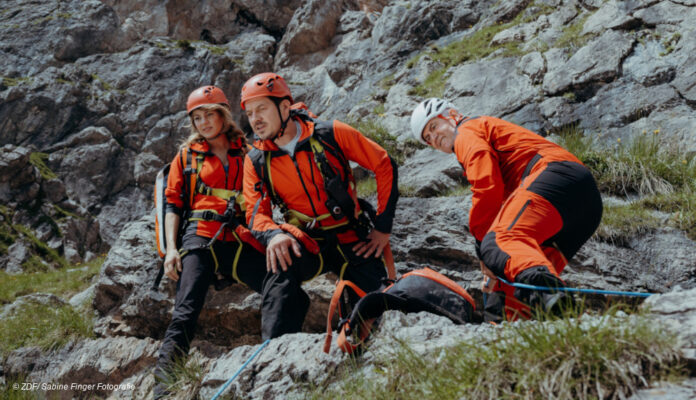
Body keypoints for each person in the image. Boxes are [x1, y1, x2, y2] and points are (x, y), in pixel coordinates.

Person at [409, 98, 602, 322]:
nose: (434, 138)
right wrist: (491, 262)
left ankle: (552, 296)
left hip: (554, 176)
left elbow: (486, 187)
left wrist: (483, 245)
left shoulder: (467, 131)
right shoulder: (478, 133)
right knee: (514, 271)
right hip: (583, 204)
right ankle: (516, 324)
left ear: (452, 114)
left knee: (500, 239)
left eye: (433, 127)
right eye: (428, 139)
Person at [240, 72, 399, 340]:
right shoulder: (256, 160)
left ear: (284, 107)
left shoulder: (330, 133)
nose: (255, 119)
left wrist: (382, 228)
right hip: (308, 241)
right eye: (249, 112)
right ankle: (274, 349)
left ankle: (361, 349)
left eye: (261, 109)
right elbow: (255, 215)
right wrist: (274, 234)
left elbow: (384, 164)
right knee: (279, 266)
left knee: (372, 306)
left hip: (352, 235)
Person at [153, 86, 266, 397]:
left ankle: (274, 354)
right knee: (185, 311)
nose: (203, 122)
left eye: (209, 115)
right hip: (199, 236)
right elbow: (173, 203)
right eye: (197, 118)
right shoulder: (187, 156)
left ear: (223, 115)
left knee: (278, 285)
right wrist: (172, 250)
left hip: (239, 239)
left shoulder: (247, 151)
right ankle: (163, 389)